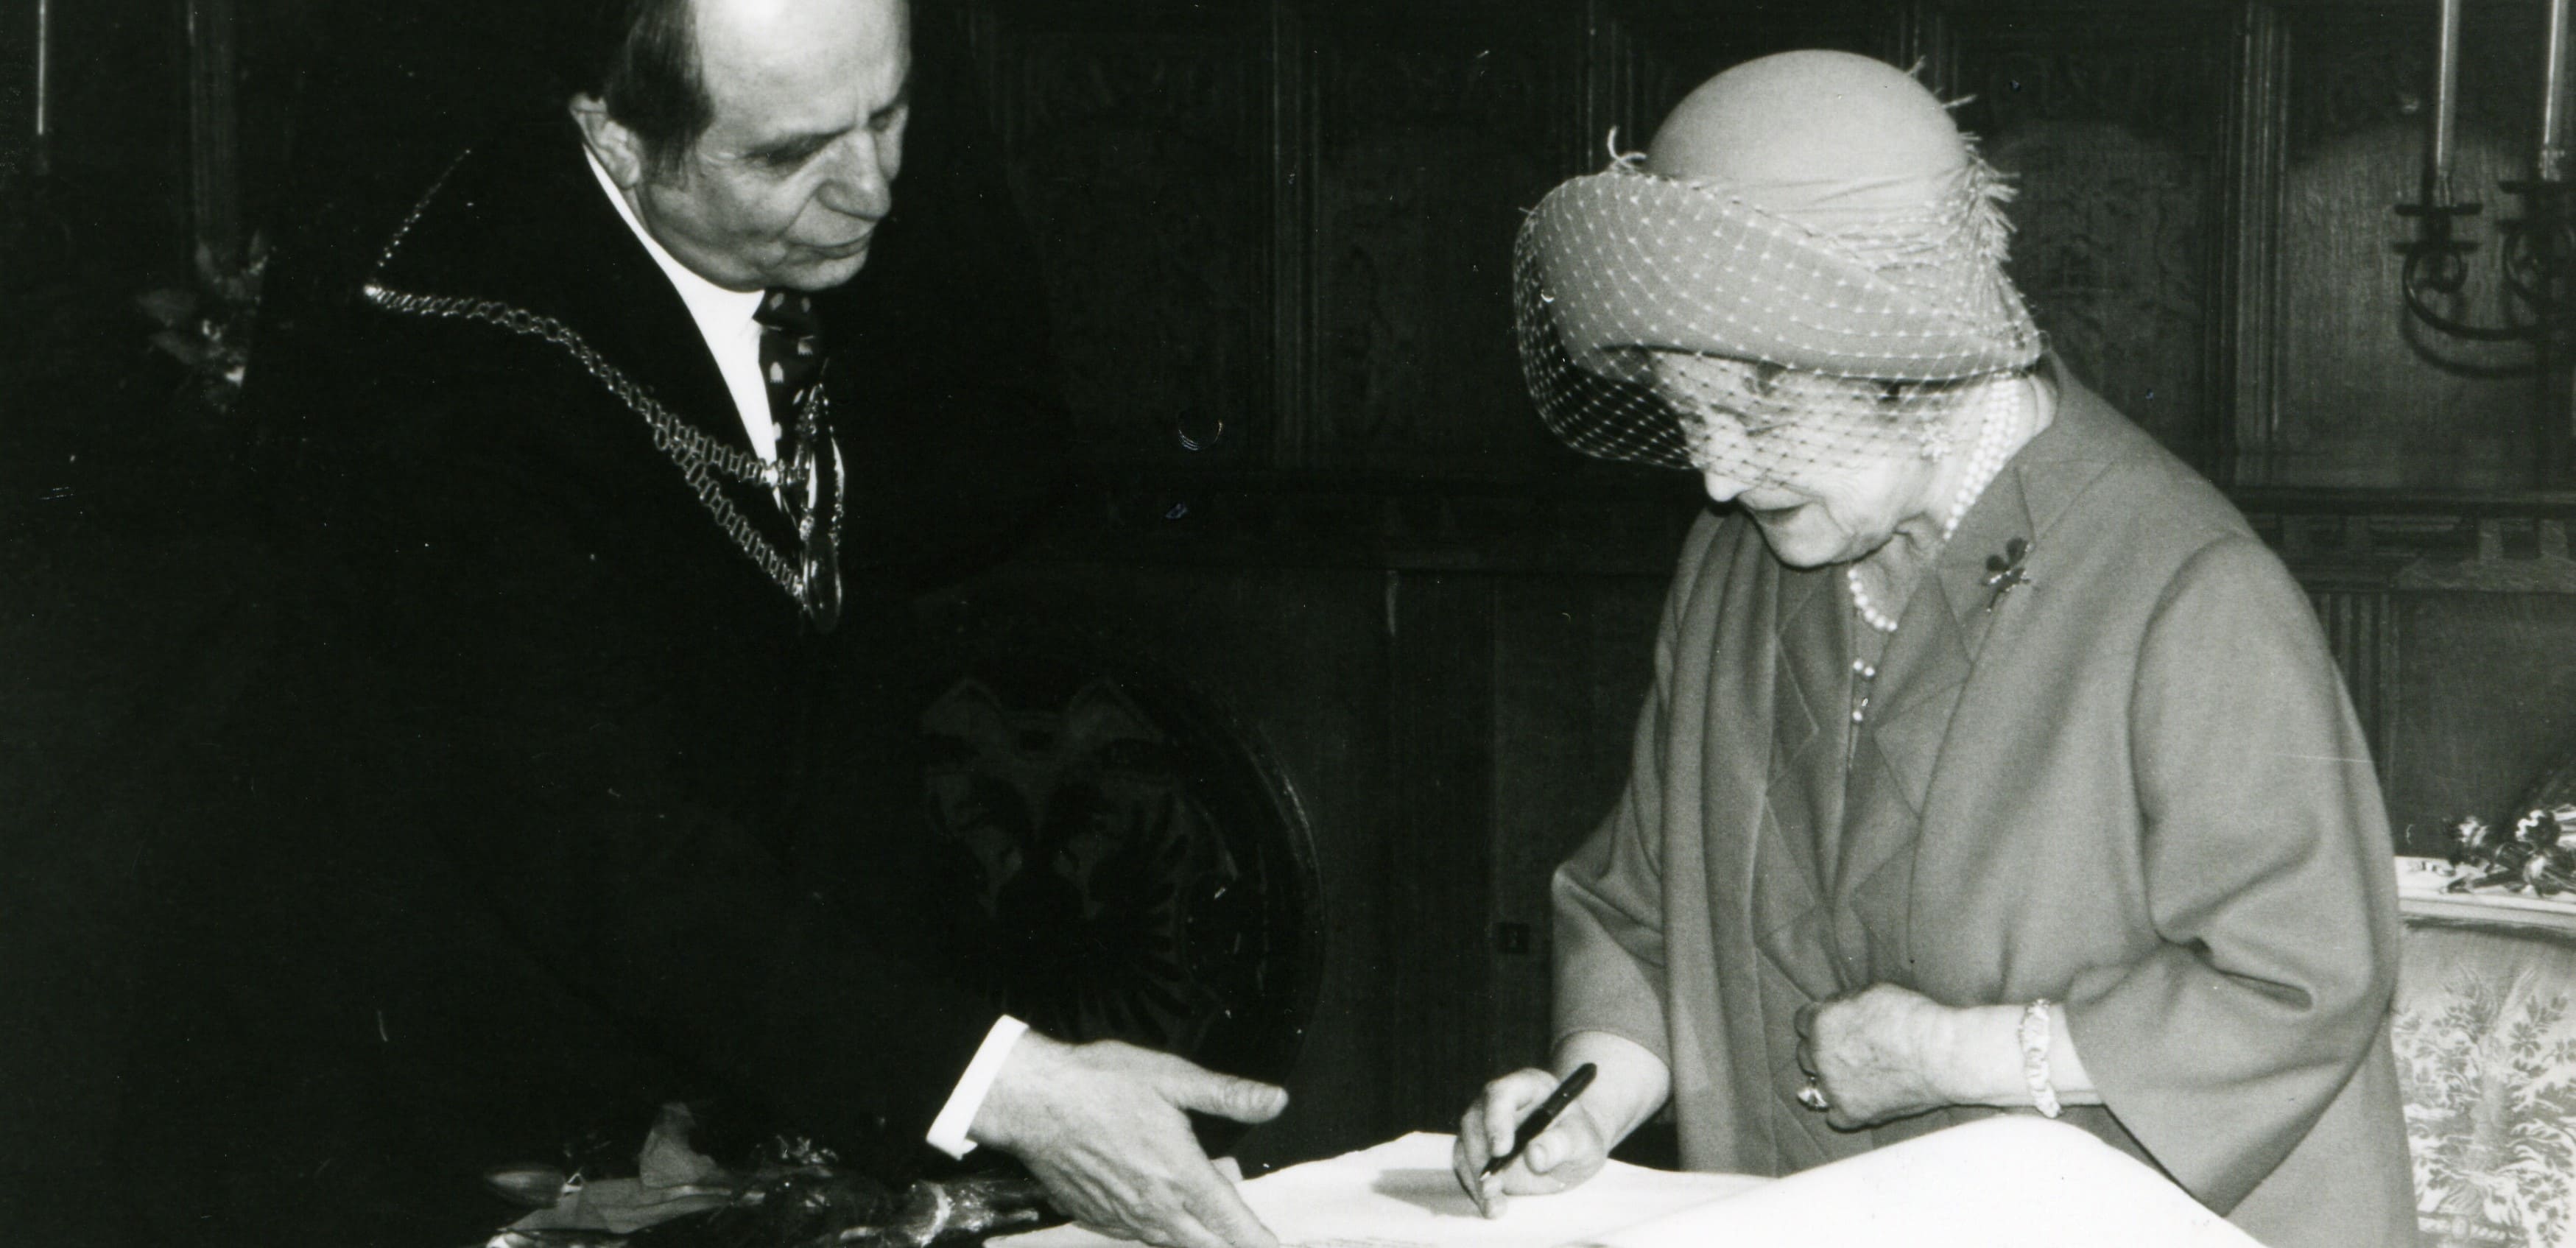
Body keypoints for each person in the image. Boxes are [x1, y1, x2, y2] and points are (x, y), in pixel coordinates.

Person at [110, 3, 1287, 1247]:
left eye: (886, 116)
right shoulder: (443, 379)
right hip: (389, 1136)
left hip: (694, 1065)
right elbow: (593, 843)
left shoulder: (837, 227)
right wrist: (1008, 1085)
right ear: (611, 135)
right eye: (789, 155)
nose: (872, 191)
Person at [1451, 50, 2412, 1248]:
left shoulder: (2187, 593)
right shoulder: (1737, 560)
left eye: (1753, 416)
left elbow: (2299, 986)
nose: (1715, 470)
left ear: (1902, 367)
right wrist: (1585, 1103)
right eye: (1688, 416)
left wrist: (1952, 1054)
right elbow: (1645, 910)